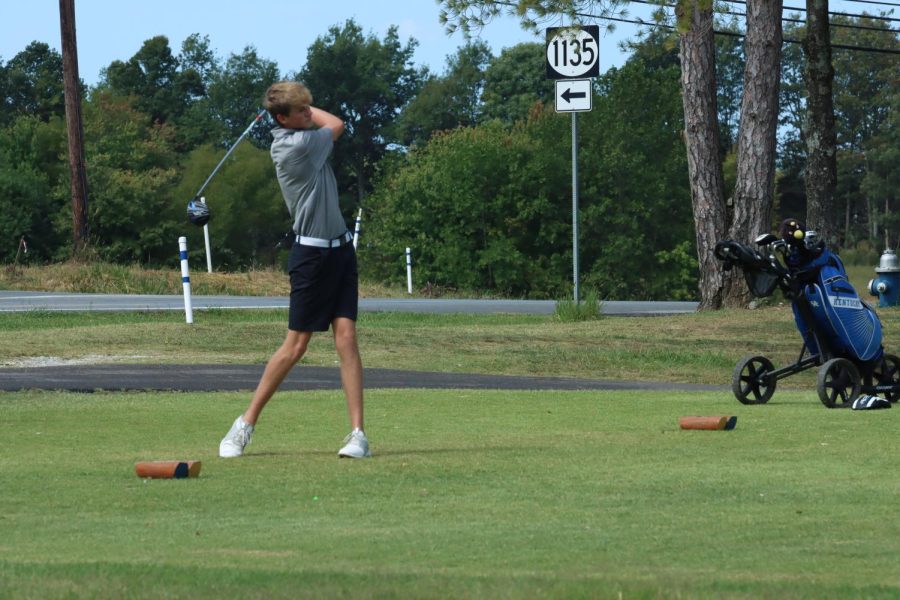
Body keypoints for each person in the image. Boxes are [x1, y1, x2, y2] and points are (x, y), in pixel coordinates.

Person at [219, 81, 370, 459]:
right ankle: (244, 425)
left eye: (308, 109)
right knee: (296, 346)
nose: (309, 114)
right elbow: (336, 123)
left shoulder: (300, 132)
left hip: (341, 251)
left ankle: (358, 435)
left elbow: (320, 120)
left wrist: (294, 102)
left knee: (347, 338)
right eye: (301, 111)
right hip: (311, 257)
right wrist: (299, 107)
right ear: (282, 119)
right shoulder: (295, 146)